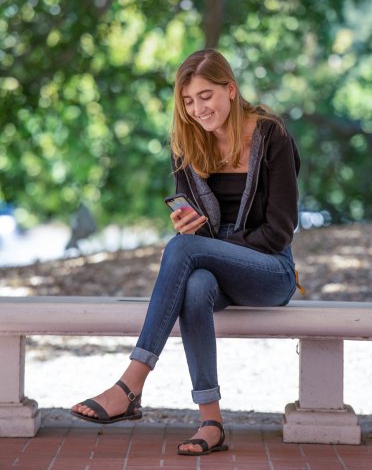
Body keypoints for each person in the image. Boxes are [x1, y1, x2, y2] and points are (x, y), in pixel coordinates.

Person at [71, 48, 301, 456]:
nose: (197, 109)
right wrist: (192, 229)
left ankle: (130, 384)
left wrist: (202, 244)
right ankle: (211, 422)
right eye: (189, 101)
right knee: (194, 286)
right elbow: (198, 229)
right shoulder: (187, 143)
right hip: (212, 264)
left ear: (230, 90)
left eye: (206, 96)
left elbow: (279, 231)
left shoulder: (271, 137)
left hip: (270, 270)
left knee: (183, 251)